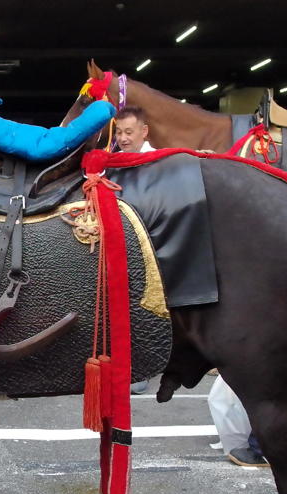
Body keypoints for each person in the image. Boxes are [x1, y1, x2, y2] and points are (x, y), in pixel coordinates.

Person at [116, 106, 156, 394]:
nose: (123, 138)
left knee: (141, 310)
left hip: (150, 247)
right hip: (120, 244)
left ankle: (141, 369)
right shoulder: (112, 162)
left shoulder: (159, 163)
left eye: (129, 132)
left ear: (144, 131)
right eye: (118, 132)